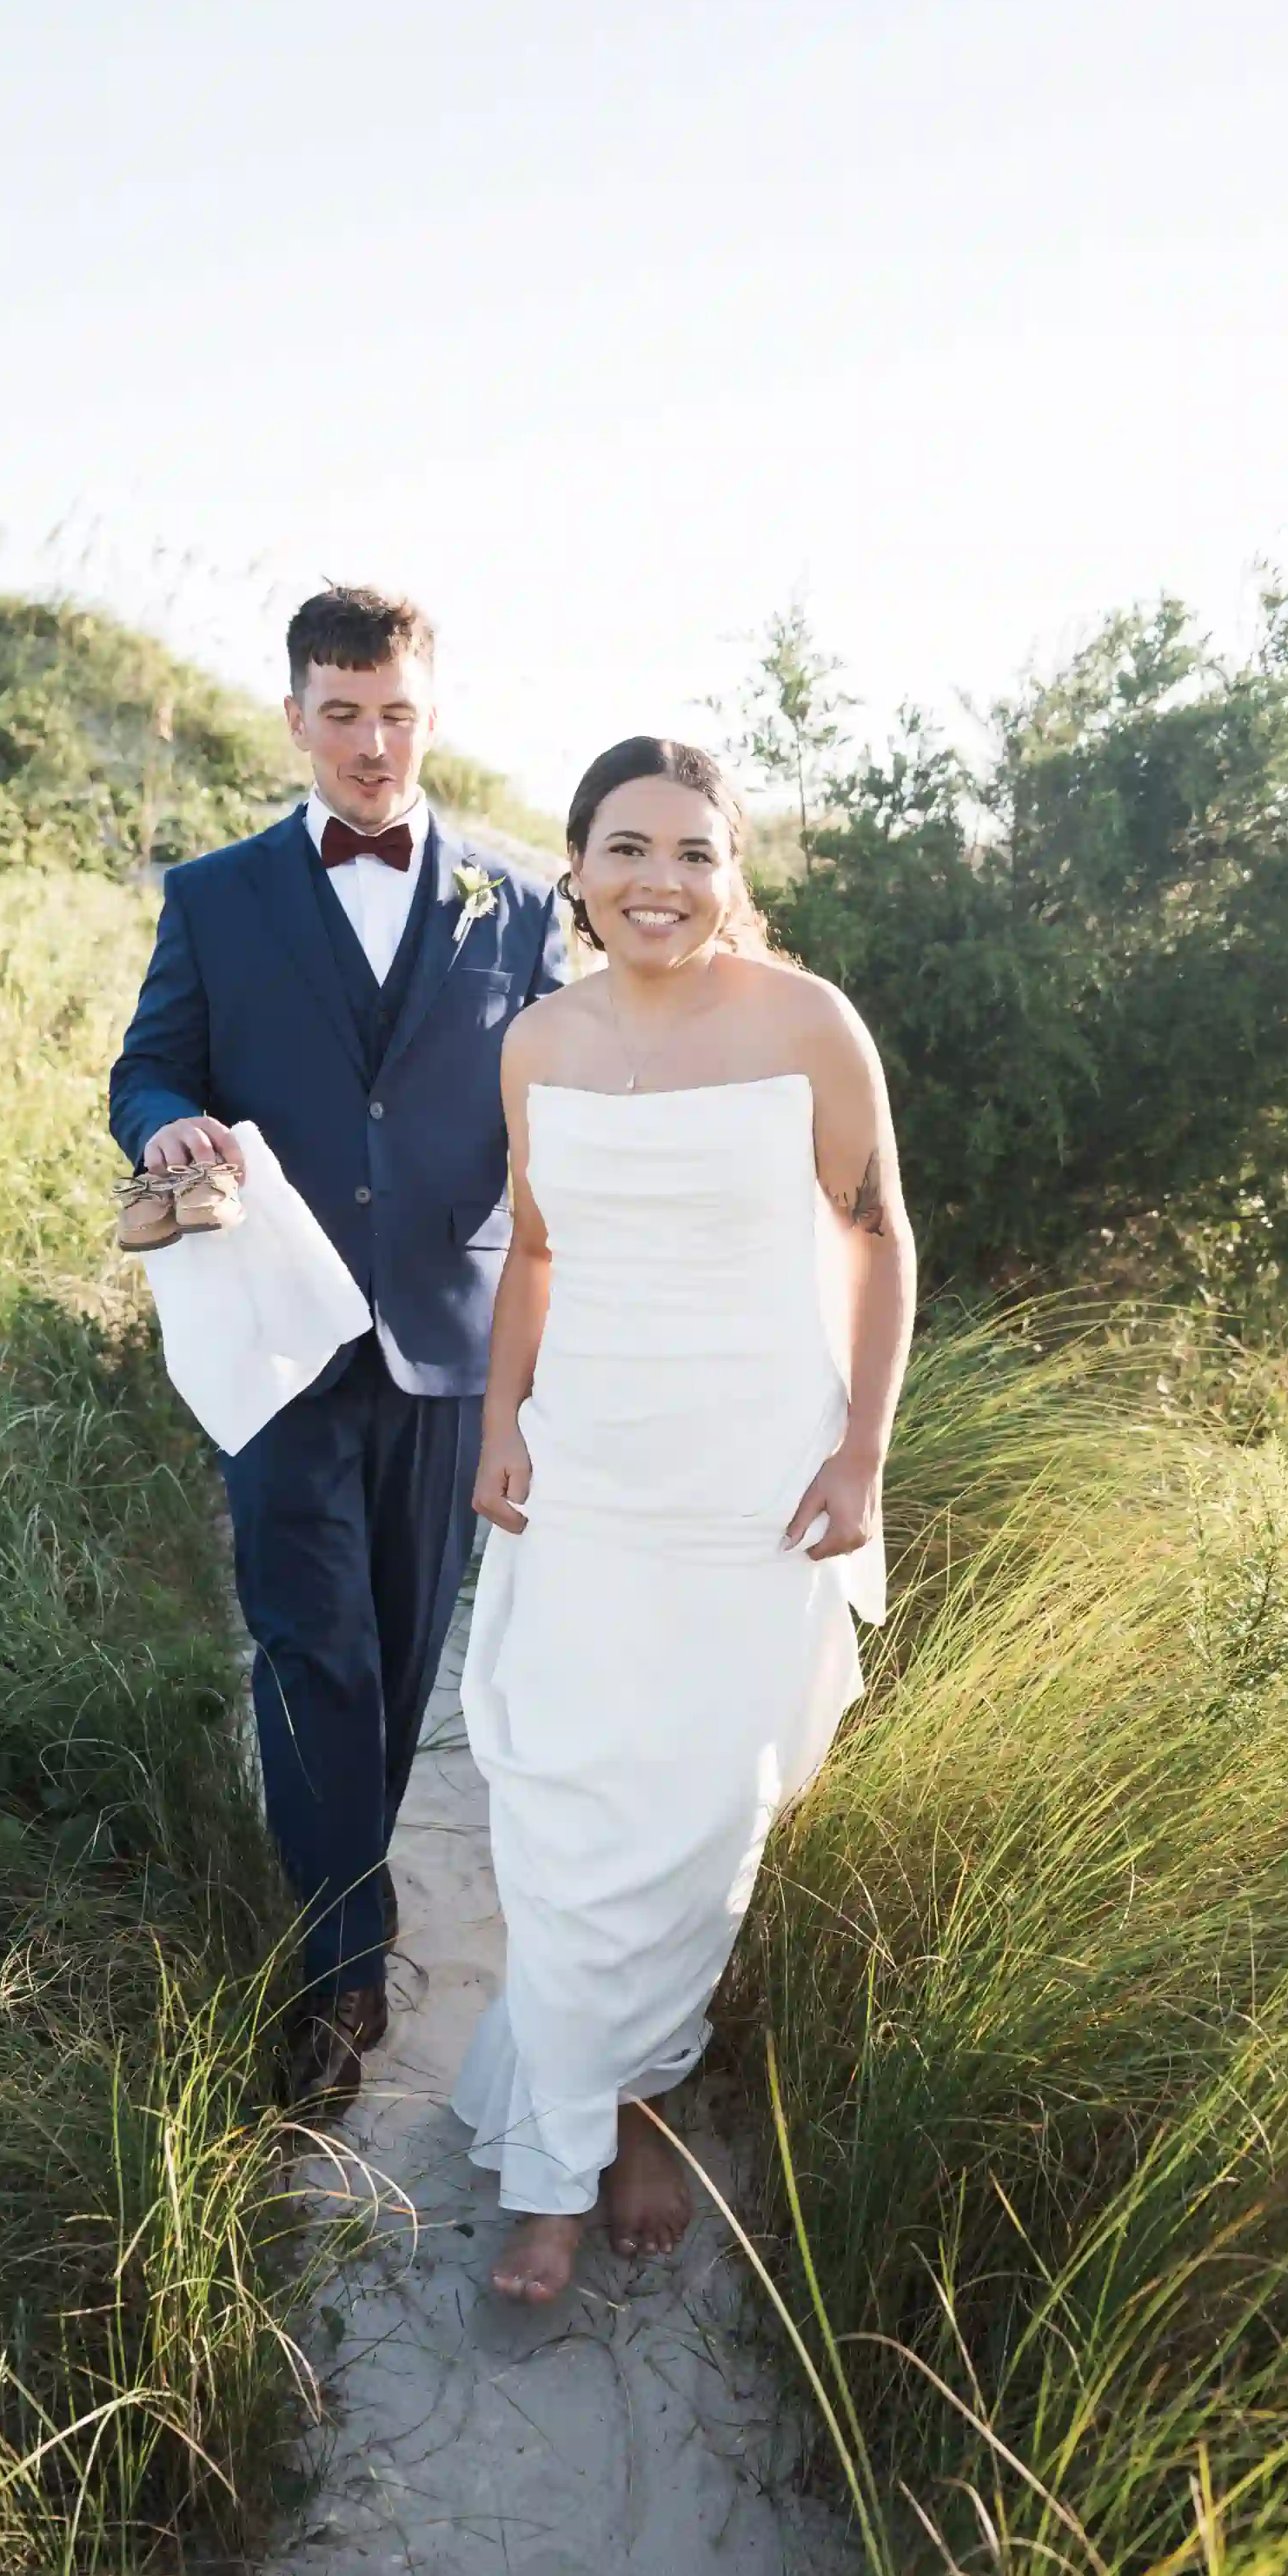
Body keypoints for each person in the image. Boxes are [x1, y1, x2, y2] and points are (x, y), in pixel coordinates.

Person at [452, 736, 916, 2304]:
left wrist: (863, 1455)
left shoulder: (807, 1027)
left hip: (752, 1479)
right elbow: (533, 1255)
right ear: (575, 868)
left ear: (733, 872)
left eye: (695, 852)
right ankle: (555, 2175)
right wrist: (502, 1420)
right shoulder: (537, 1043)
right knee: (575, 1815)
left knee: (702, 1813)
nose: (662, 881)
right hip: (589, 1473)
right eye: (628, 848)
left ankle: (635, 2097)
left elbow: (877, 1240)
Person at [110, 588, 564, 2102]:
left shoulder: (514, 902)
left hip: (448, 1332)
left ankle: (341, 1901)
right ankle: (339, 1974)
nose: (374, 745)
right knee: (312, 1650)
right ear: (296, 714)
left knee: (400, 1646)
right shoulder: (218, 895)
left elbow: (570, 1083)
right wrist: (165, 1117)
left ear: (431, 716)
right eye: (344, 712)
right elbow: (150, 1060)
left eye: (400, 714)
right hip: (278, 1329)